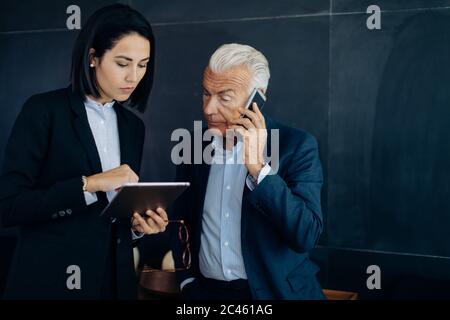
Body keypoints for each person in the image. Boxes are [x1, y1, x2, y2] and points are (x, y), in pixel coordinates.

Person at [0, 4, 168, 299]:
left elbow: (111, 219)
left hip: (115, 284)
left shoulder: (133, 127)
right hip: (50, 283)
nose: (134, 76)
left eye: (142, 64)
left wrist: (139, 227)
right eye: (123, 63)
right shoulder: (43, 111)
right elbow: (10, 206)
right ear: (93, 57)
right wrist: (88, 184)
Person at [170, 43, 325, 300]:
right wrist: (186, 281)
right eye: (206, 94)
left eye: (224, 97)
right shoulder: (194, 147)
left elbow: (305, 235)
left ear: (257, 98)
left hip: (276, 294)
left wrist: (258, 169)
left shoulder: (296, 146)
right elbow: (180, 220)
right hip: (207, 296)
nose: (208, 109)